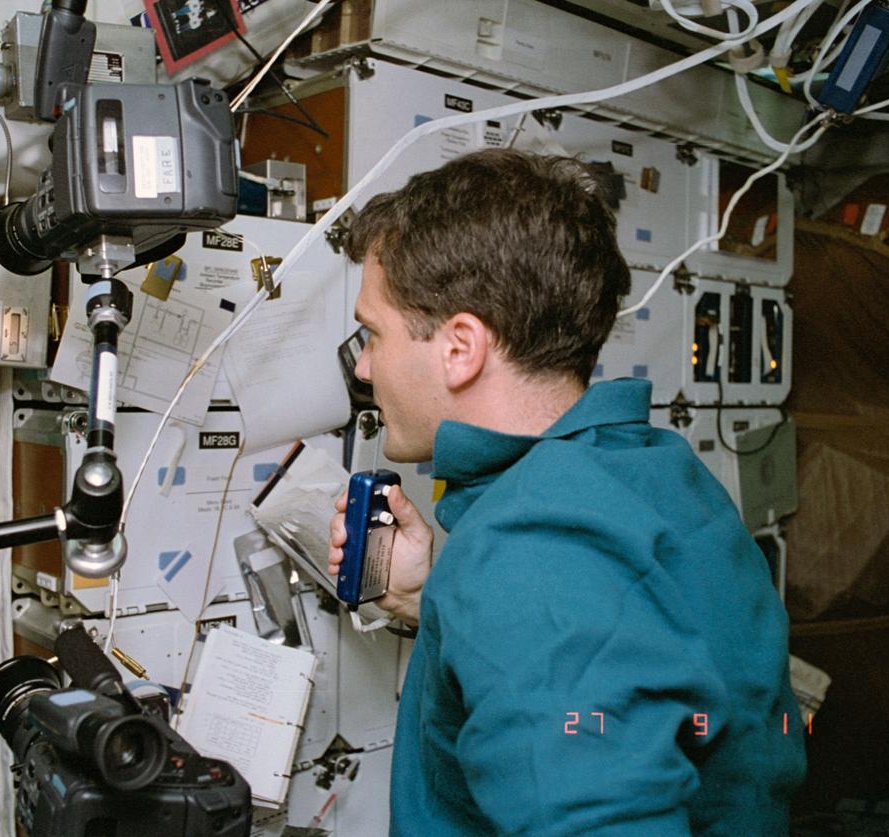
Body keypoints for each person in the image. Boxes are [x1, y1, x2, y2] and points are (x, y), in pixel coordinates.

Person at [327, 149, 805, 835]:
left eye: (373, 332)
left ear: (461, 346)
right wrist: (435, 598)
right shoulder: (653, 471)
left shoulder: (527, 553)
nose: (366, 365)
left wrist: (489, 584)